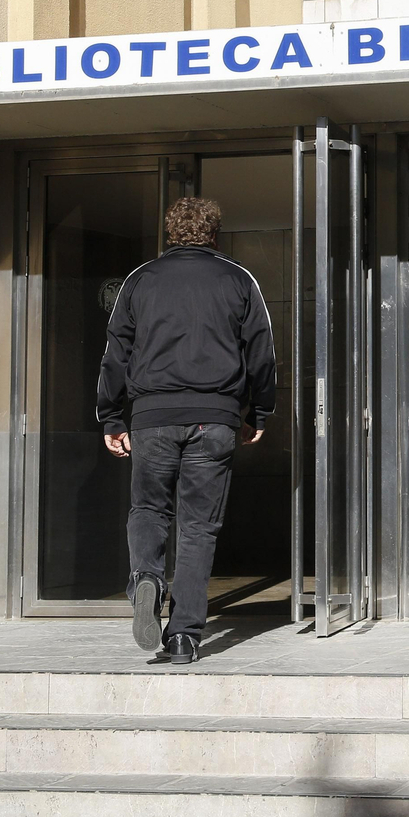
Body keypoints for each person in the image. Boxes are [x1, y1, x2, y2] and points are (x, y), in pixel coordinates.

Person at [96, 196, 276, 665]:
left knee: (149, 508)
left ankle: (147, 579)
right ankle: (183, 637)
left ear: (170, 234)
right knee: (198, 528)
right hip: (214, 418)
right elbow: (261, 352)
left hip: (151, 417)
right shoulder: (238, 279)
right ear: (214, 235)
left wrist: (111, 416)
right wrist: (259, 409)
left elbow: (115, 353)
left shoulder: (140, 280)